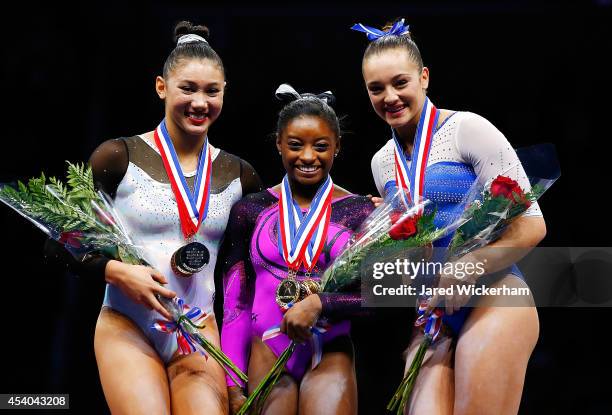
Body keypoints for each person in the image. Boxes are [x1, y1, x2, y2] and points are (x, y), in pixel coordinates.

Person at [45, 21, 262, 414]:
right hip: (128, 326)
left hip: (199, 330)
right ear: (162, 87)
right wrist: (117, 271)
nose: (200, 102)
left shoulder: (240, 175)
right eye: (188, 89)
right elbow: (59, 241)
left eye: (212, 91)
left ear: (225, 92)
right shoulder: (117, 156)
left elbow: (249, 266)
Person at [354, 19, 545, 414]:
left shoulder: (467, 129)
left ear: (424, 77)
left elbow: (532, 225)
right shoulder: (381, 162)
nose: (389, 96)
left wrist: (471, 264)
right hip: (434, 311)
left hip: (496, 295)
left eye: (400, 82)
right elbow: (418, 251)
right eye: (376, 88)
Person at [220, 84, 373, 415]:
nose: (307, 157)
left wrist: (321, 303)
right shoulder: (251, 209)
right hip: (267, 348)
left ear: (337, 147)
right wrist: (232, 384)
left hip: (329, 351)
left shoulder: (360, 211)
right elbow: (236, 301)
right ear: (278, 144)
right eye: (295, 145)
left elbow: (377, 296)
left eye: (320, 146)